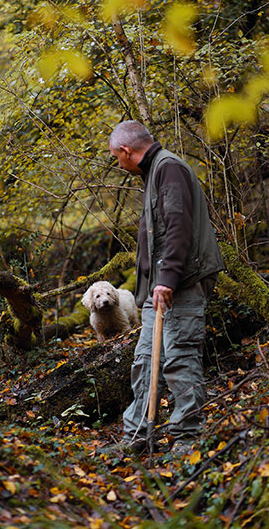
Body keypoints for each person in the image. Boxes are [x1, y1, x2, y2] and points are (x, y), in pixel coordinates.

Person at [109, 120, 224, 455]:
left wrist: (166, 280)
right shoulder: (154, 172)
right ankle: (136, 438)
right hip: (157, 290)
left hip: (180, 285)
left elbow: (178, 228)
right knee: (145, 362)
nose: (118, 163)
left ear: (126, 151)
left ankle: (188, 440)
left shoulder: (169, 169)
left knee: (179, 358)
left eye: (117, 156)